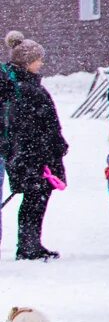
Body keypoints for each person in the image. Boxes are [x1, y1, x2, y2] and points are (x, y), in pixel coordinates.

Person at [3, 39, 65, 261]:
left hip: (29, 153)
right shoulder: (25, 89)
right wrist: (54, 146)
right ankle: (28, 245)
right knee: (35, 198)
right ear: (27, 61)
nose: (41, 63)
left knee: (35, 197)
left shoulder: (20, 86)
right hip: (32, 154)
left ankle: (30, 243)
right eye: (38, 59)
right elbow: (37, 126)